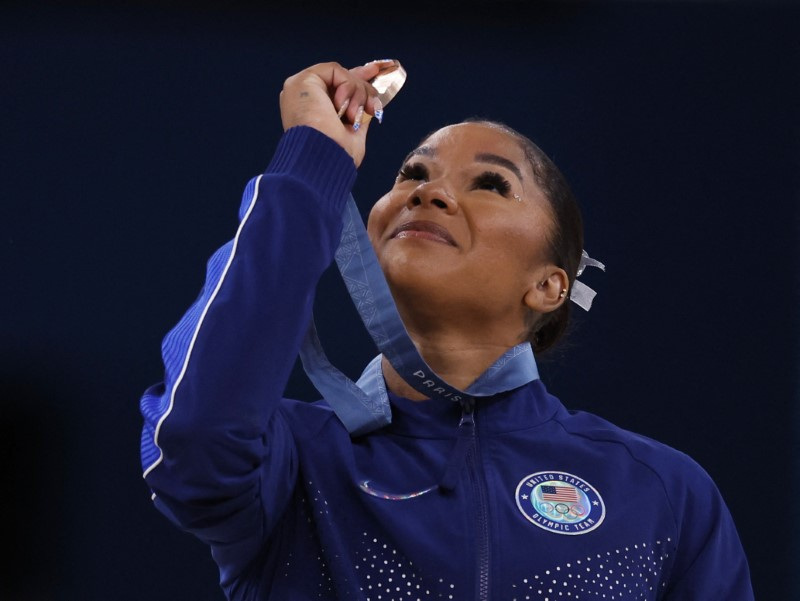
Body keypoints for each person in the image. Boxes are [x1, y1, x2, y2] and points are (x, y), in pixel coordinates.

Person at [139, 60, 754, 600]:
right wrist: (311, 164)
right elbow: (192, 442)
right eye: (410, 173)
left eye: (491, 183)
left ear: (549, 285)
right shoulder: (294, 460)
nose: (429, 193)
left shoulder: (662, 494)